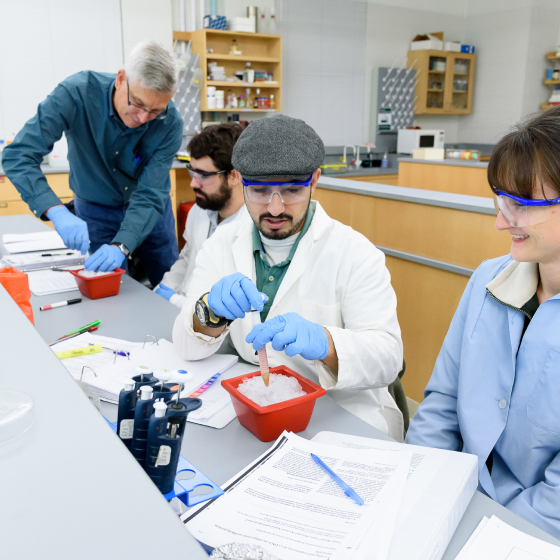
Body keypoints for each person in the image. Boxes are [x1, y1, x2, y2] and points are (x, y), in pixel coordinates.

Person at [172, 115, 405, 440]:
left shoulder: (354, 252)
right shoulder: (221, 245)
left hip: (339, 417)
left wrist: (326, 343)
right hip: (259, 413)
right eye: (261, 191)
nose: (276, 208)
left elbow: (388, 358)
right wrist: (209, 311)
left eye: (293, 190)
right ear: (240, 180)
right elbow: (186, 345)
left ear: (315, 180)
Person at [406, 106, 560, 538]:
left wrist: (480, 532)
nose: (500, 221)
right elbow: (441, 404)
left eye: (521, 204)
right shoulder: (488, 280)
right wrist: (419, 493)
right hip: (450, 501)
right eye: (501, 201)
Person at [2, 41, 183, 287]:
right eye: (138, 103)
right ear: (121, 79)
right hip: (96, 212)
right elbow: (19, 155)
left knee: (170, 285)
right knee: (109, 292)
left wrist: (122, 245)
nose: (143, 118)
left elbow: (151, 193)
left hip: (149, 212)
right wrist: (55, 210)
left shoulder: (170, 121)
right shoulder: (76, 95)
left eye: (154, 111)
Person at [154, 123, 247, 307]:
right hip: (179, 312)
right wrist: (162, 291)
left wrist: (174, 300)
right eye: (193, 172)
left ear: (234, 176)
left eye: (203, 175)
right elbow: (187, 259)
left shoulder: (250, 230)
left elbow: (225, 306)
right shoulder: (200, 210)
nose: (193, 184)